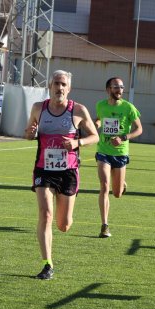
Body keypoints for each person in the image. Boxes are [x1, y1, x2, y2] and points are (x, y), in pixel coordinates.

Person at [24, 70, 99, 280]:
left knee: (63, 225)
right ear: (50, 86)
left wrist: (78, 142)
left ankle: (65, 206)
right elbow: (28, 132)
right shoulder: (39, 108)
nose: (60, 88)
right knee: (45, 214)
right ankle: (47, 264)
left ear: (69, 88)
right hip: (44, 169)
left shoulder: (79, 110)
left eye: (63, 84)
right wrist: (29, 133)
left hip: (68, 171)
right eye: (56, 83)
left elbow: (95, 136)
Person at [94, 77, 143, 238]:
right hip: (103, 151)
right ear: (108, 89)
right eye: (116, 87)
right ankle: (104, 225)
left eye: (121, 87)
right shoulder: (101, 105)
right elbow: (99, 118)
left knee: (117, 193)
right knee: (104, 186)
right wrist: (97, 124)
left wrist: (123, 137)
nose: (119, 90)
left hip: (121, 153)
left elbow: (139, 129)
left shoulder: (129, 108)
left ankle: (121, 185)